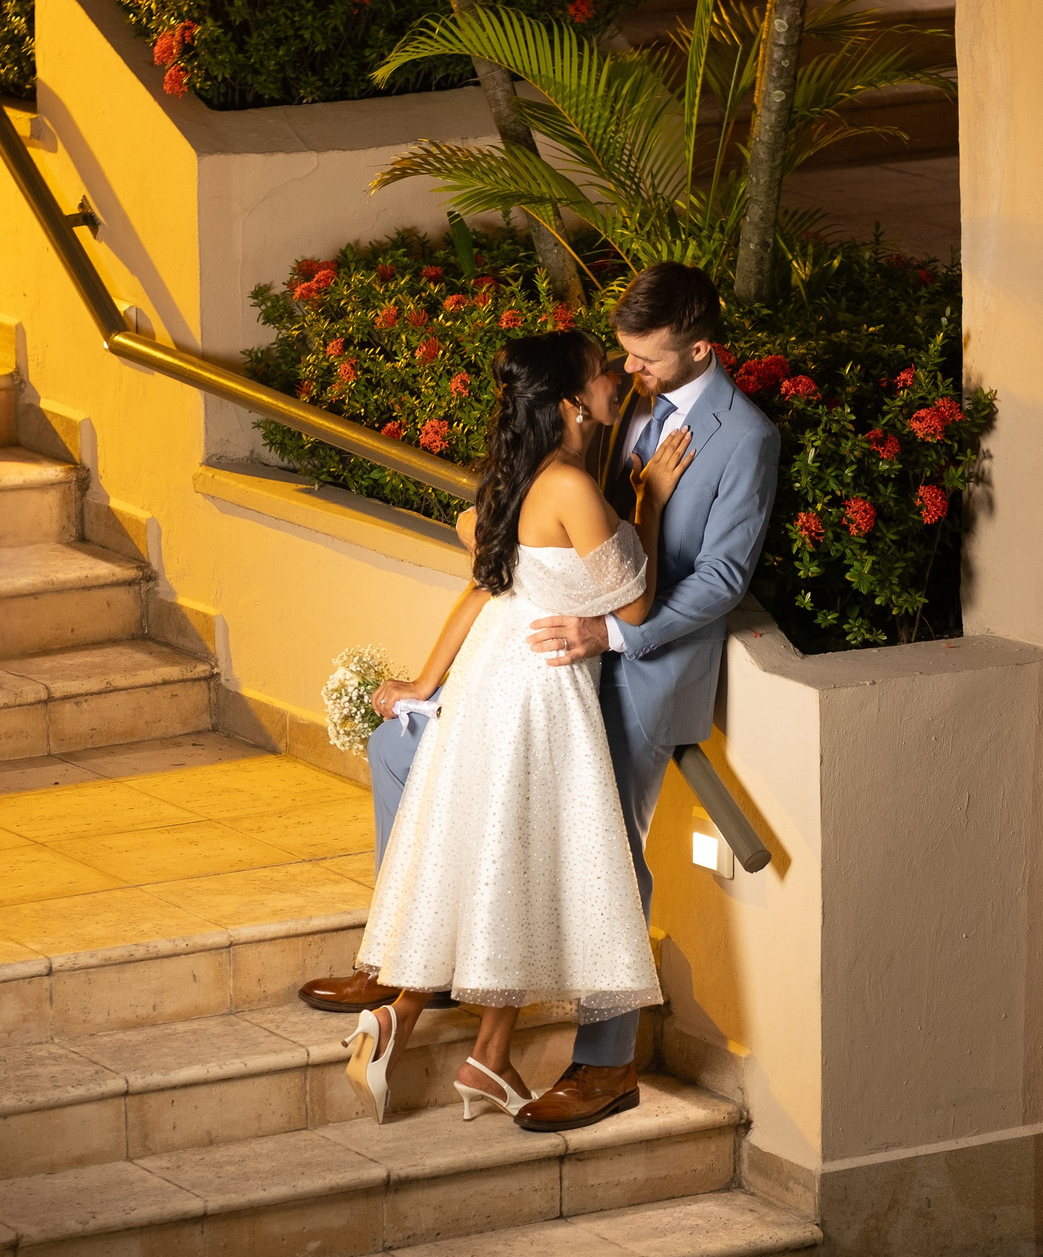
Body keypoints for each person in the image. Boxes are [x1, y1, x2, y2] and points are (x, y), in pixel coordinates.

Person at [304, 262, 783, 1132]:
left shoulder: (744, 437)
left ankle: (604, 1066)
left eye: (643, 359)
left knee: (608, 852)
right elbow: (538, 527)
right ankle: (416, 964)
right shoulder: (613, 405)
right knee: (406, 753)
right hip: (545, 661)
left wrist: (615, 635)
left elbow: (718, 577)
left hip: (637, 665)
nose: (628, 373)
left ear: (698, 348)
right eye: (620, 361)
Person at [336, 327, 695, 1124]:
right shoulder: (568, 485)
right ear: (572, 402)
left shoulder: (516, 474)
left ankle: (453, 1040)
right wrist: (649, 504)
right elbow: (634, 605)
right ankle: (475, 1052)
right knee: (524, 859)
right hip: (543, 685)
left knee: (501, 858)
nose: (617, 381)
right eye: (604, 374)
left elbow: (485, 578)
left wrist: (427, 682)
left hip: (492, 676)